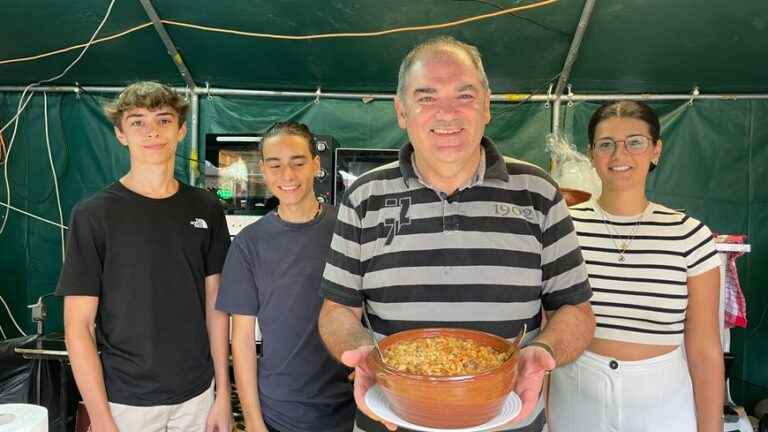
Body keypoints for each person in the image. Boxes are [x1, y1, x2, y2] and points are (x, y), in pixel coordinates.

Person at [317, 36, 595, 432]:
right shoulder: (365, 196)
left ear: (487, 106)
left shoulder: (538, 192)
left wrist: (542, 353)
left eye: (464, 96)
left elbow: (576, 310)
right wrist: (361, 352)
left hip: (507, 419)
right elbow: (338, 310)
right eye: (426, 97)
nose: (446, 114)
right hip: (390, 416)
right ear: (401, 111)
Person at [56, 81, 232, 432]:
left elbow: (217, 304)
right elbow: (78, 327)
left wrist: (223, 395)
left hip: (197, 397)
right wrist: (102, 419)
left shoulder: (206, 207)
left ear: (181, 130)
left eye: (163, 119)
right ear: (121, 134)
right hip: (125, 402)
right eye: (137, 121)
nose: (151, 131)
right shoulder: (93, 214)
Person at [551, 101, 723, 431]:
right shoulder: (563, 227)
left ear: (656, 150)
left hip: (664, 409)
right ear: (591, 154)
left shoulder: (690, 236)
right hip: (575, 401)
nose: (620, 155)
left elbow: (705, 350)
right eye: (606, 144)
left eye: (635, 142)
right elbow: (548, 327)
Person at [216, 122, 355, 432]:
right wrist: (253, 421)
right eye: (275, 165)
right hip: (280, 412)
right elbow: (241, 340)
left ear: (316, 165)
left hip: (351, 410)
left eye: (298, 162)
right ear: (263, 170)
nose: (288, 176)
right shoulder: (248, 244)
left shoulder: (348, 228)